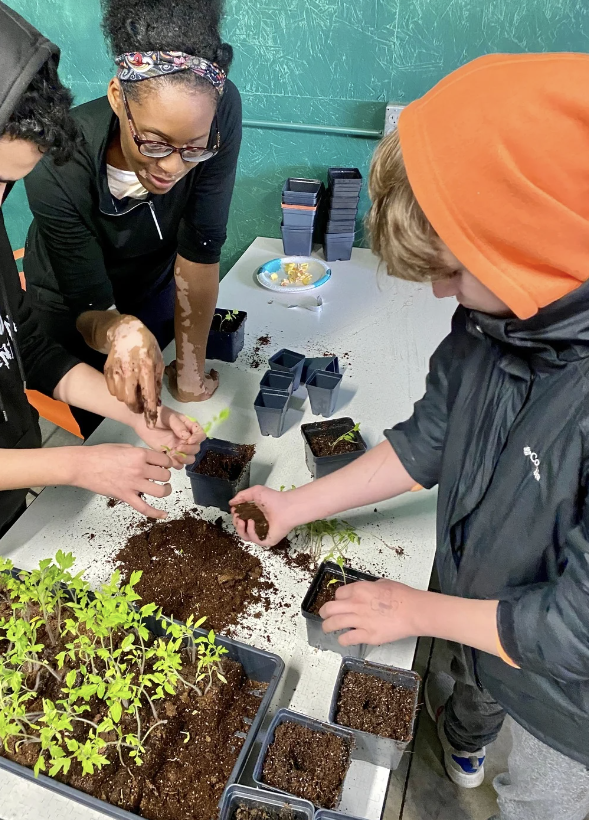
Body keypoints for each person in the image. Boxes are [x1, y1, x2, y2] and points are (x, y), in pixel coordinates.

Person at [231, 54, 589, 820]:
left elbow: (577, 631)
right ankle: (465, 738)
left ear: (530, 239)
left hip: (570, 711)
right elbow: (430, 439)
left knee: (539, 795)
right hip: (481, 615)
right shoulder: (499, 316)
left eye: (455, 271)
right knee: (473, 691)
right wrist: (298, 505)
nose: (439, 292)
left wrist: (417, 611)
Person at [0, 0, 204, 627]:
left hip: (11, 497)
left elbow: (29, 346)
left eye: (10, 185)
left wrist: (134, 413)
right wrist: (77, 465)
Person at [22, 0, 242, 438]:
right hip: (76, 308)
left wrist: (191, 373)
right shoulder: (59, 164)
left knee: (171, 406)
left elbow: (201, 246)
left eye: (194, 149)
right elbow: (89, 305)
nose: (173, 168)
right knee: (114, 432)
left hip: (153, 285)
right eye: (155, 144)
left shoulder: (220, 110)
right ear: (119, 98)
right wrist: (118, 329)